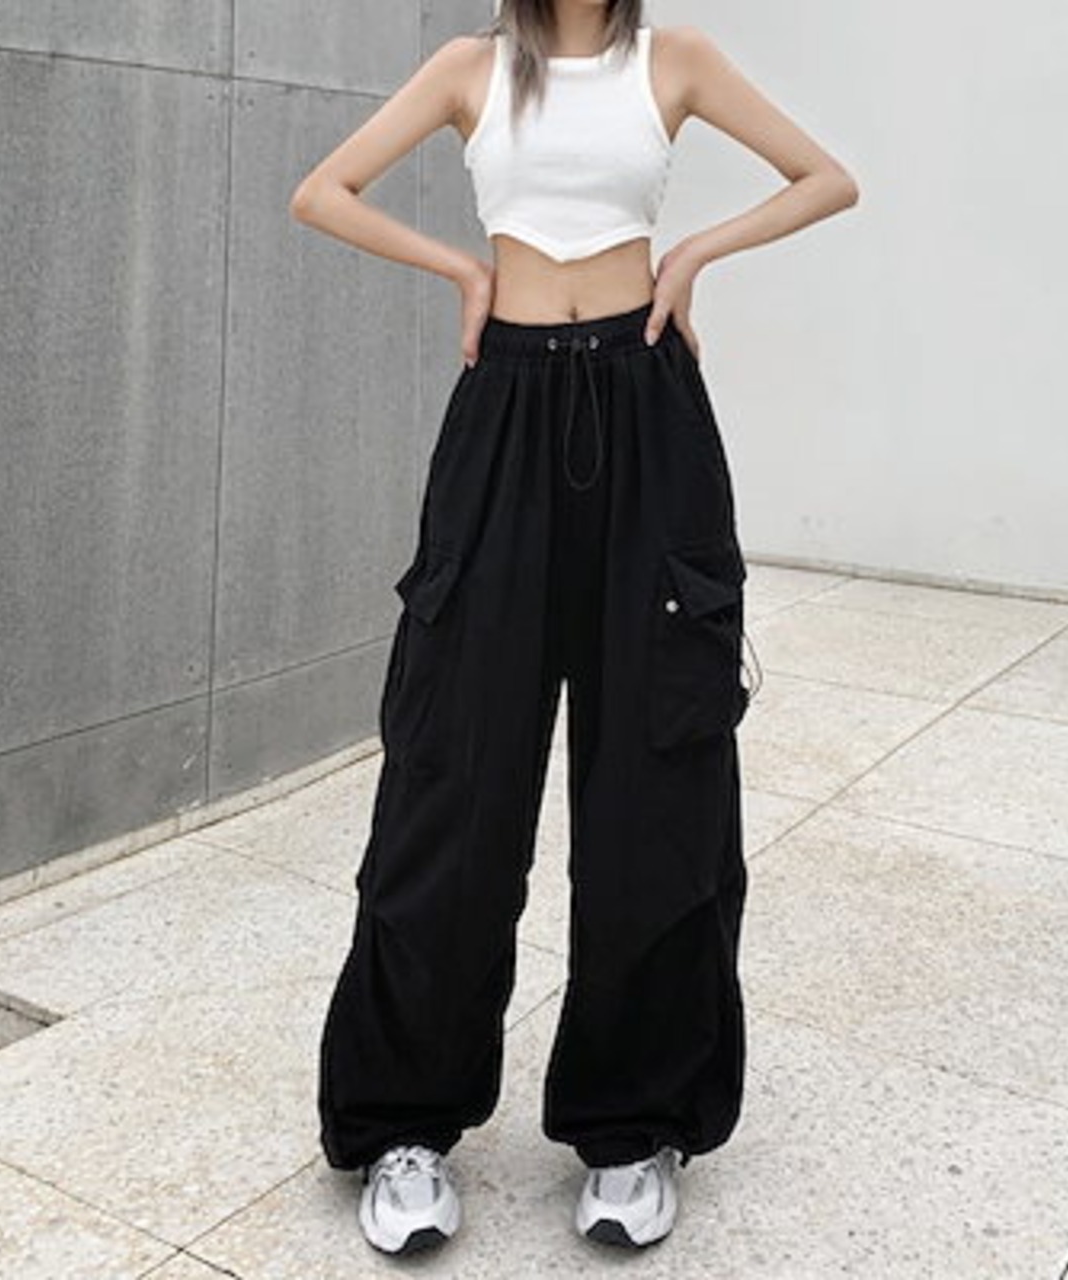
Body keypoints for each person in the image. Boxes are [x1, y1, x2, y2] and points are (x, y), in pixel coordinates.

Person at [289, 0, 858, 1256]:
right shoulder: (468, 69)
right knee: (450, 777)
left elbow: (826, 178)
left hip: (647, 409)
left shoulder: (676, 60)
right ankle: (403, 1124)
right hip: (501, 415)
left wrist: (692, 253)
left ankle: (631, 1124)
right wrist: (462, 271)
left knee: (656, 779)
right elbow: (322, 191)